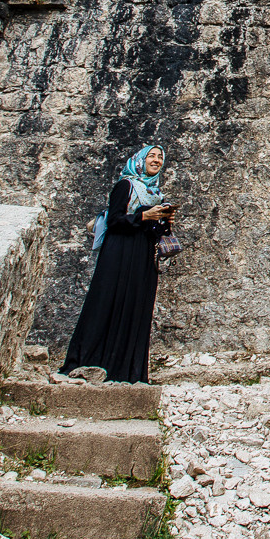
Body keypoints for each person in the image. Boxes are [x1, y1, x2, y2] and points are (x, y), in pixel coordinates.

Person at [61, 144, 175, 383]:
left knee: (135, 305)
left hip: (142, 255)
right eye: (151, 156)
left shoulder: (156, 194)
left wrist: (165, 220)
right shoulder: (126, 185)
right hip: (119, 253)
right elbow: (114, 220)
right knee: (107, 302)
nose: (156, 160)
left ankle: (126, 371)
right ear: (139, 161)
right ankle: (87, 362)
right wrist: (144, 215)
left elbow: (155, 231)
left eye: (160, 157)